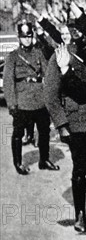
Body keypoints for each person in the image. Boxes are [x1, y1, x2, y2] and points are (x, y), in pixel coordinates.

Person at [44, 28, 86, 233]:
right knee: (80, 167)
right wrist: (62, 125)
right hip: (77, 121)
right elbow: (51, 95)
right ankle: (80, 214)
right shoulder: (59, 57)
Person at [3, 22, 58, 174]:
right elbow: (8, 83)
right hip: (22, 102)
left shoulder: (38, 53)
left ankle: (44, 160)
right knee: (18, 134)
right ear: (19, 38)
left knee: (44, 131)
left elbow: (47, 73)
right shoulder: (13, 57)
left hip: (40, 100)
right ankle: (18, 163)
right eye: (23, 37)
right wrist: (12, 105)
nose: (27, 40)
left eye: (29, 37)